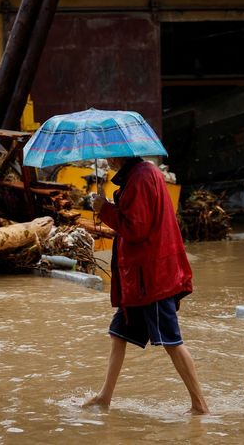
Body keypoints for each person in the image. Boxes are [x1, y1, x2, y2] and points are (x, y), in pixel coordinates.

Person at [86, 156, 209, 415]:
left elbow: (136, 229)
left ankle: (200, 405)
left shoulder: (140, 178)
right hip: (143, 277)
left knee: (171, 341)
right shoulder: (142, 173)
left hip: (151, 278)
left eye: (110, 154)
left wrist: (105, 209)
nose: (107, 158)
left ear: (120, 154)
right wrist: (108, 206)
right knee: (118, 334)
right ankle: (104, 397)